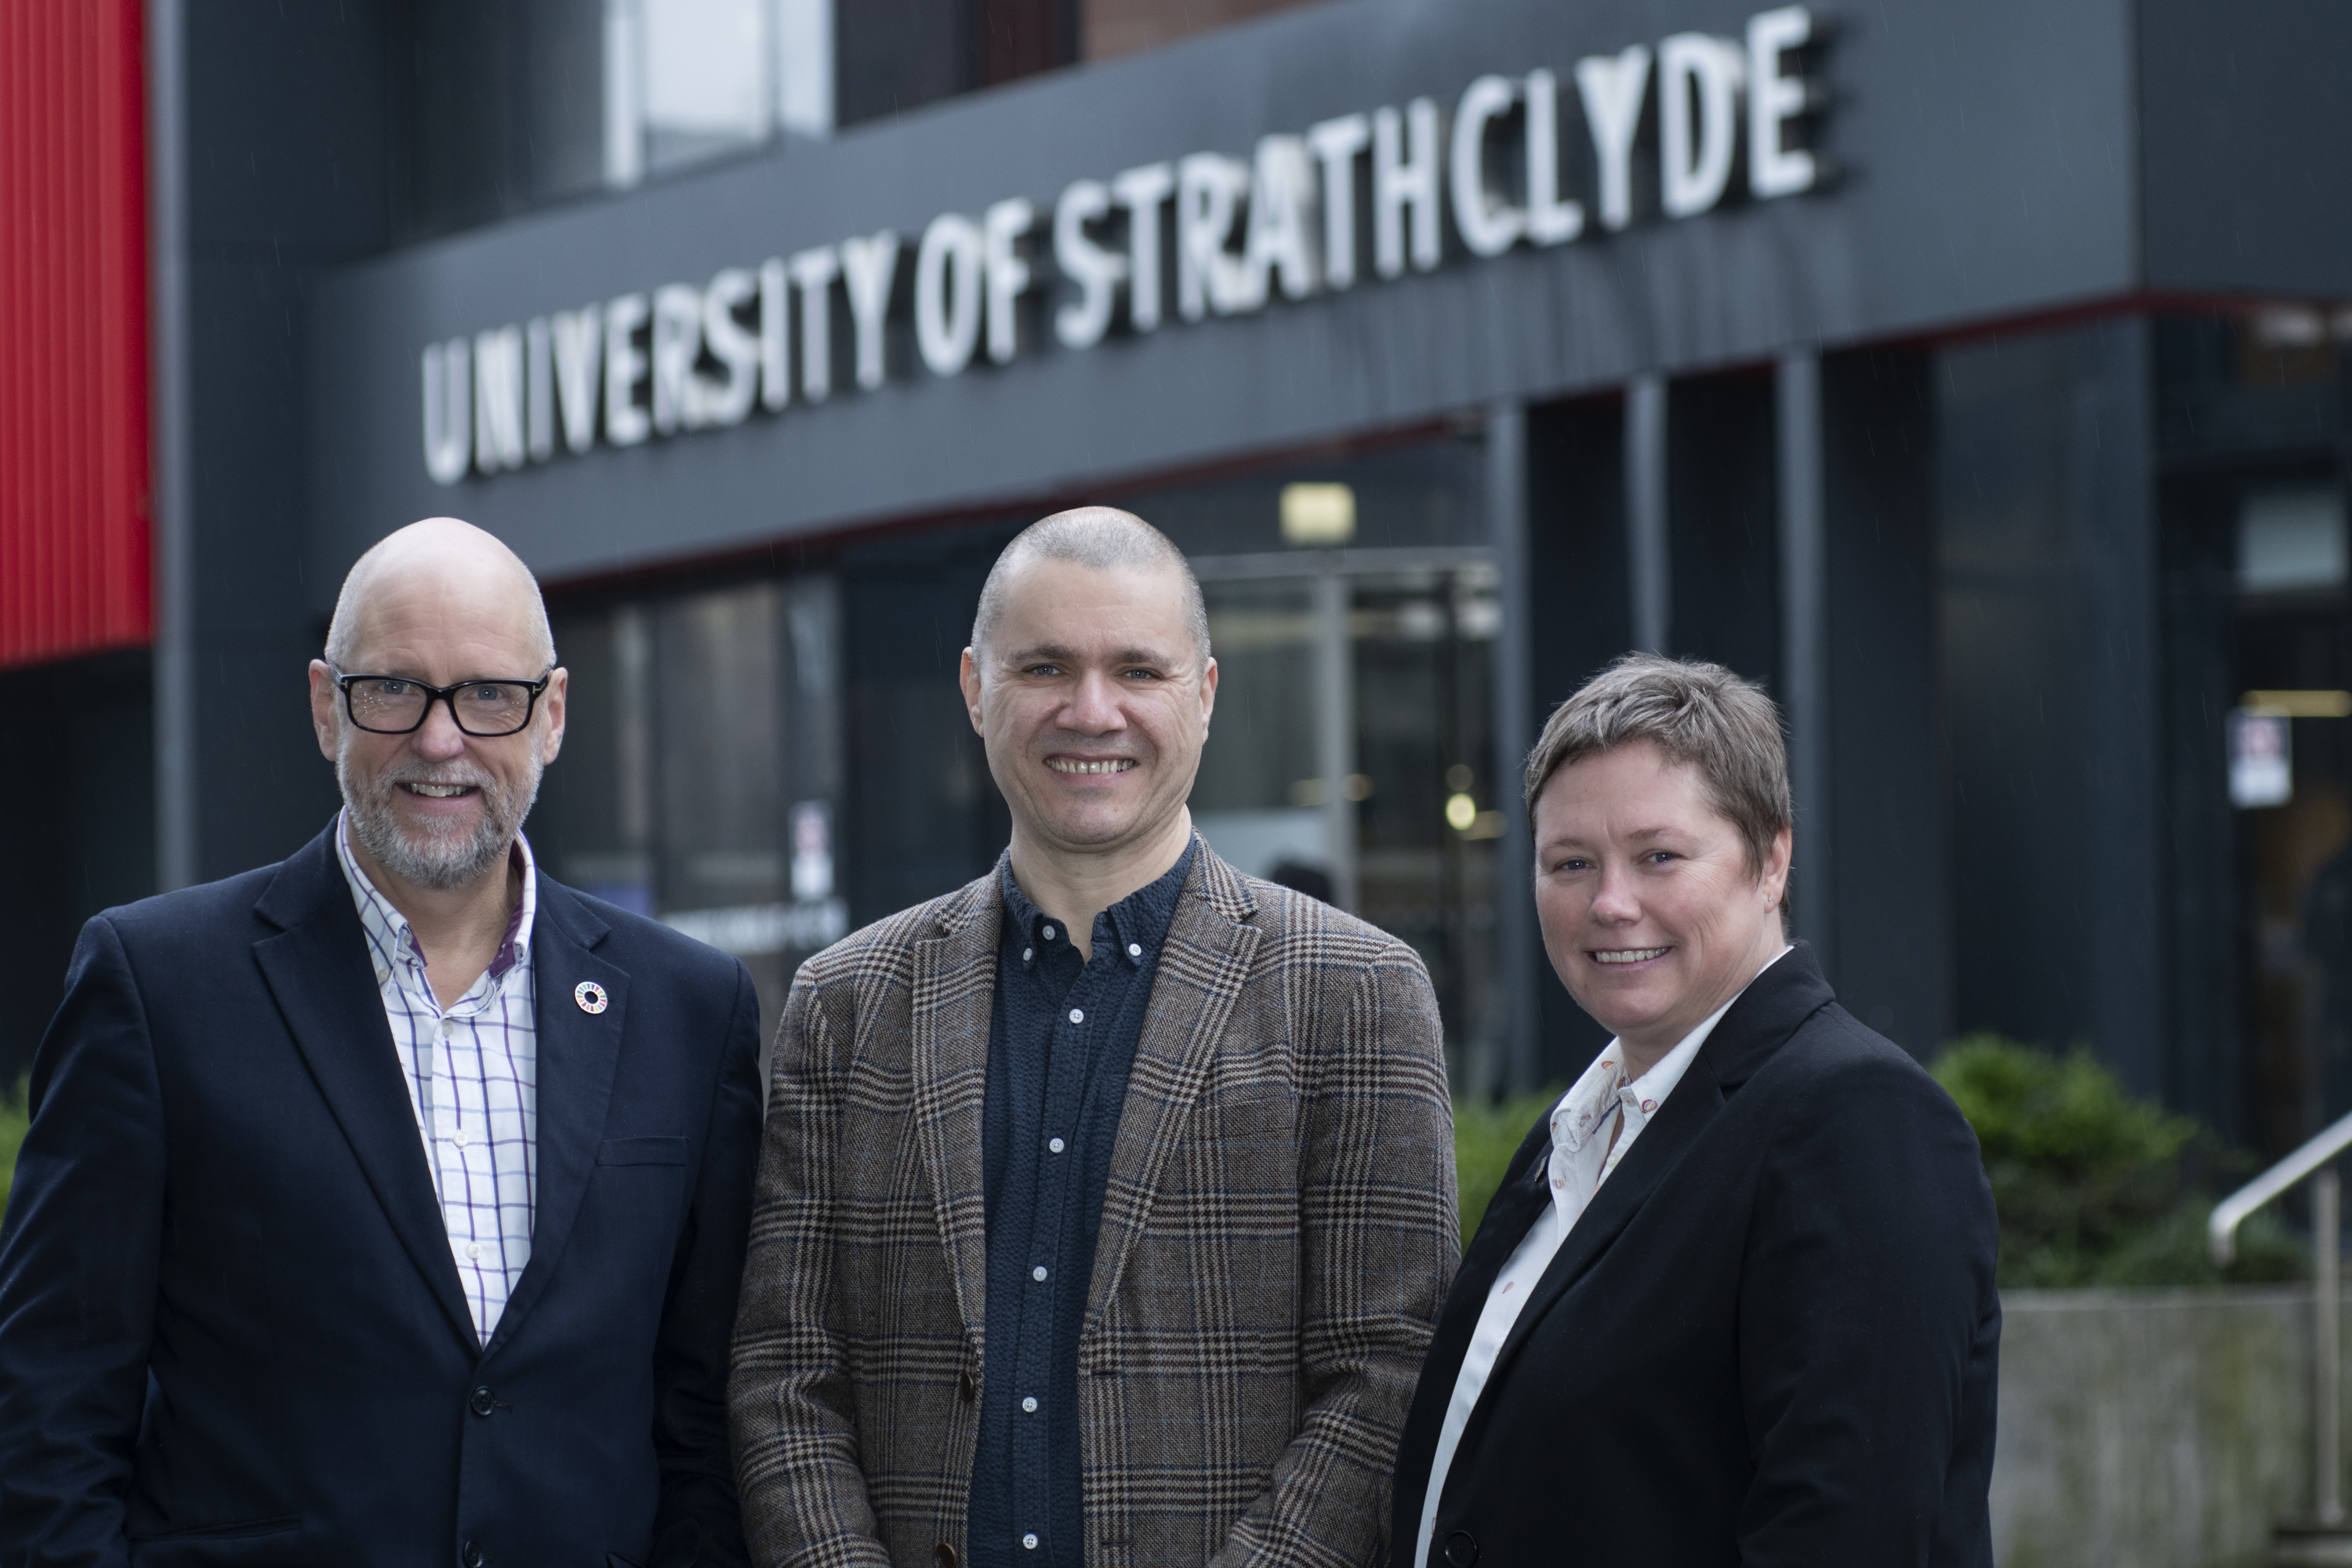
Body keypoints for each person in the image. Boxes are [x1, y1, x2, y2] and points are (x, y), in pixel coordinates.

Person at [0, 518, 762, 1567]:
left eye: (490, 695)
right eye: (394, 690)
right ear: (326, 706)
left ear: (553, 716)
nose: (441, 741)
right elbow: (48, 1406)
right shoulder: (156, 985)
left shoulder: (690, 1007)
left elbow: (700, 1418)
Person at [730, 506, 1458, 1568]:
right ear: (977, 688)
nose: (1092, 710)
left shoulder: (1356, 993)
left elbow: (1389, 1374)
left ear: (1203, 696)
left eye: (1139, 670)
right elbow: (783, 1373)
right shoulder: (845, 1005)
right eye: (1045, 668)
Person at [1391, 653, 2000, 1568]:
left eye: (1659, 856)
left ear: (1772, 860)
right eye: (1571, 861)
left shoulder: (1855, 1118)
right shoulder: (1585, 1126)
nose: (1610, 902)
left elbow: (1846, 1531)